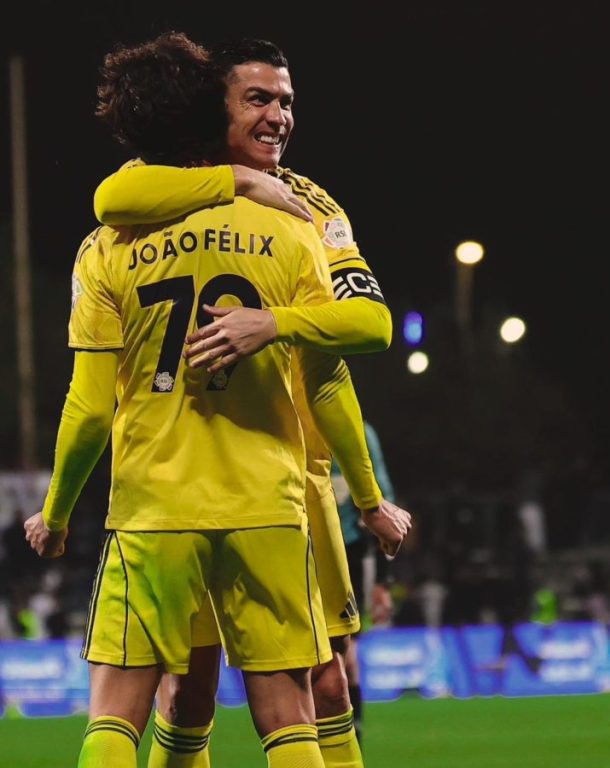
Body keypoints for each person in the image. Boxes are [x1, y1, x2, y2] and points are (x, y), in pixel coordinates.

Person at [22, 32, 365, 768]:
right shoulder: (292, 225)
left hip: (155, 506)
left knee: (119, 711)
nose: (278, 115)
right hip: (269, 504)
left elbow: (87, 409)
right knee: (290, 712)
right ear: (214, 113)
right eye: (260, 99)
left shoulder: (110, 240)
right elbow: (330, 378)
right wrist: (366, 496)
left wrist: (55, 513)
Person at [331, 422, 395, 742]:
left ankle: (349, 740)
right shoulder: (286, 420)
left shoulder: (358, 431)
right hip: (297, 552)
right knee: (336, 659)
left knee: (343, 656)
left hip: (345, 555)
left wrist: (382, 581)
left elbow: (381, 506)